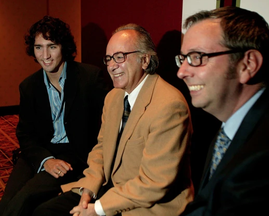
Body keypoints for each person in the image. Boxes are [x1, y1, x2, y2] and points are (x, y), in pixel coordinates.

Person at [32, 23, 194, 216]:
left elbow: (154, 183)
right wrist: (89, 188)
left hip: (149, 204)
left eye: (119, 57)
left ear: (145, 60)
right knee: (44, 212)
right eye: (109, 58)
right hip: (110, 189)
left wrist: (98, 209)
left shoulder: (169, 105)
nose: (111, 66)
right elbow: (101, 148)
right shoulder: (114, 97)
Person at [175, 6, 269, 216]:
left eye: (197, 56)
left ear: (248, 64)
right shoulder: (231, 124)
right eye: (183, 59)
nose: (181, 72)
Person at [0, 16, 108, 216]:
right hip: (39, 152)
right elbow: (25, 134)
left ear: (64, 47)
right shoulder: (28, 86)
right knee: (6, 203)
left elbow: (104, 129)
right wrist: (45, 159)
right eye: (39, 47)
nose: (45, 55)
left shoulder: (89, 78)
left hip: (73, 155)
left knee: (26, 198)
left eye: (52, 46)